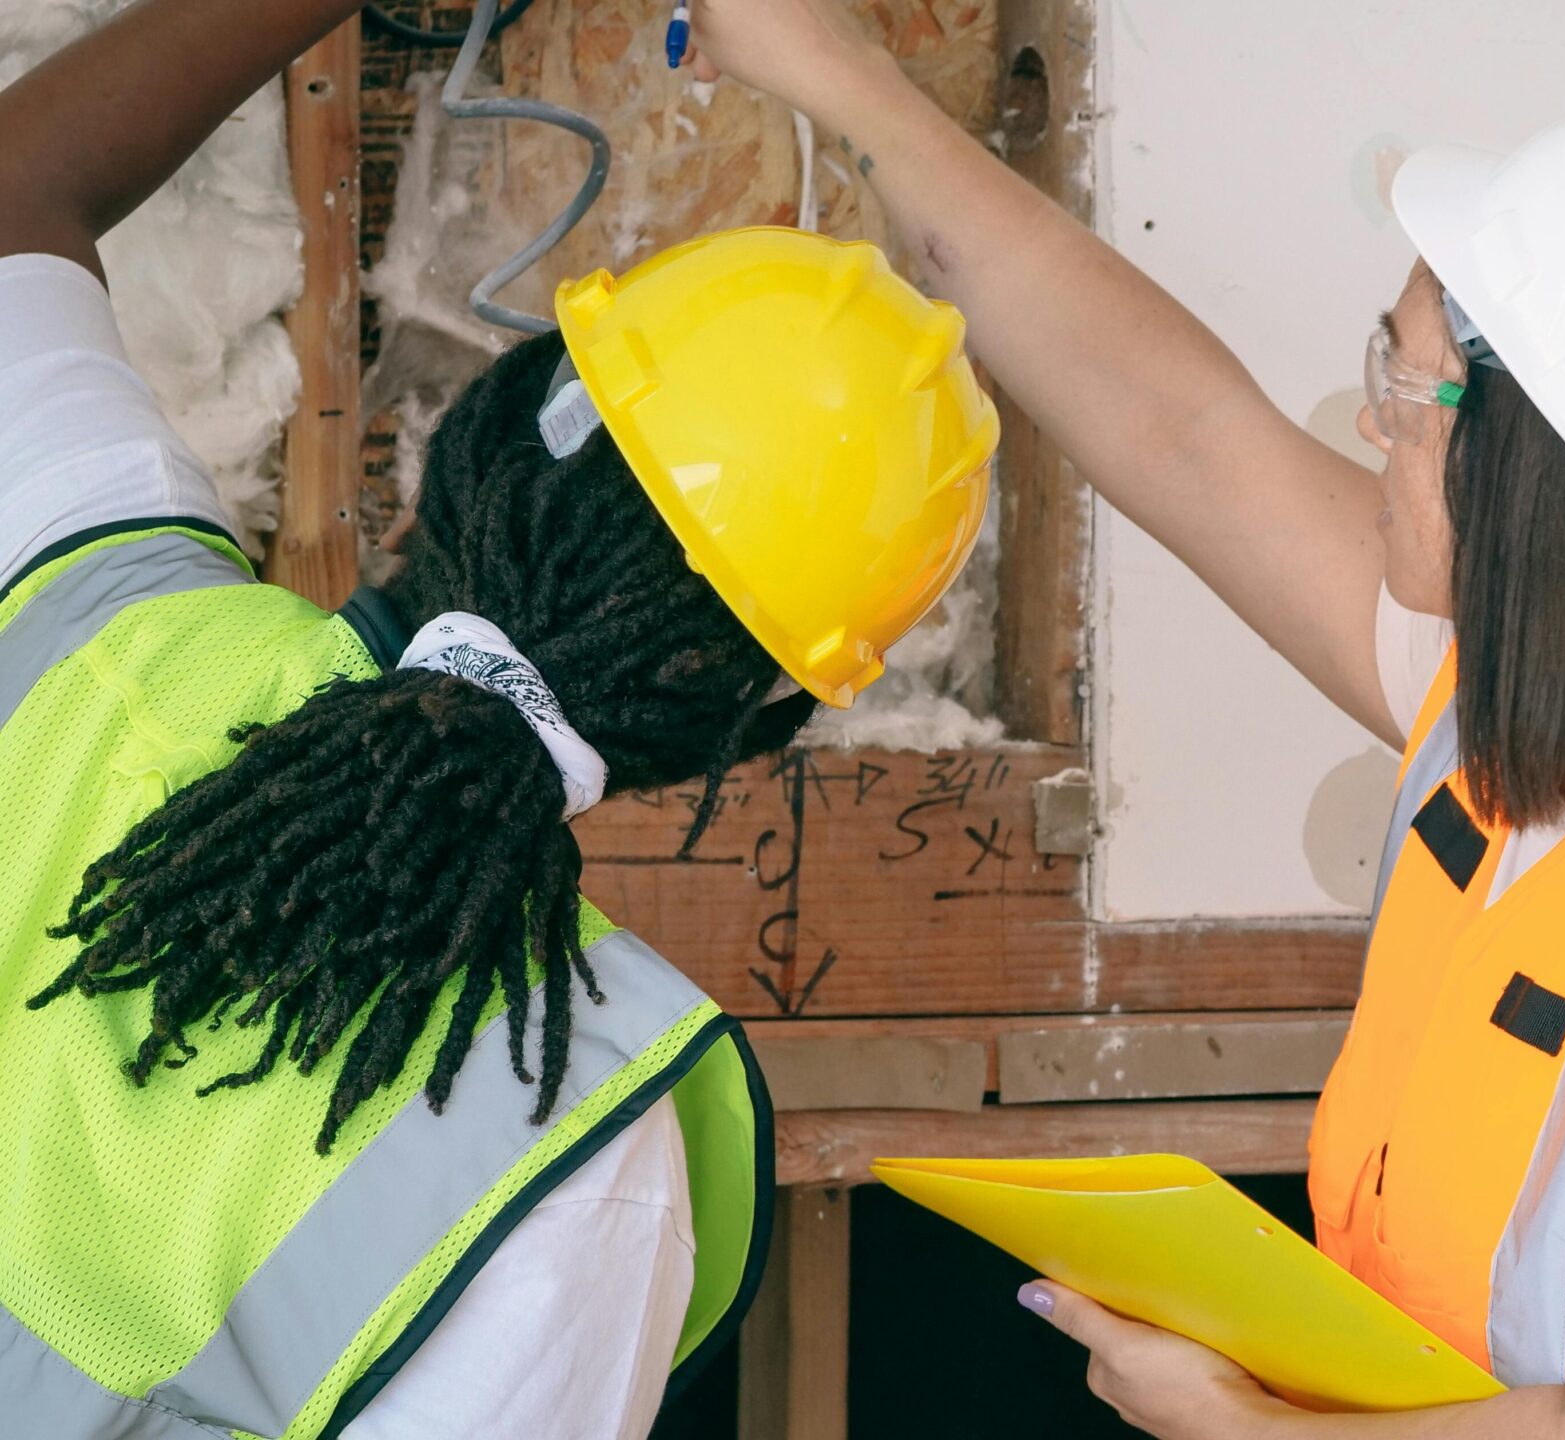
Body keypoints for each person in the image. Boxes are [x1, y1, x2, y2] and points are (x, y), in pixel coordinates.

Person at [683, 4, 1565, 1438]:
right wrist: (843, 79)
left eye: (1405, 378)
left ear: (1537, 478)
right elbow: (1183, 428)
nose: (1376, 422)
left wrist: (1246, 1432)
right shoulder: (1532, 729)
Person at [0, 3, 995, 1436]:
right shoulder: (572, 1146)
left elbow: (20, 190)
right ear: (760, 709)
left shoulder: (104, 608)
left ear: (478, 430)